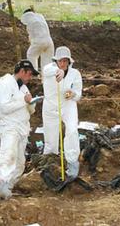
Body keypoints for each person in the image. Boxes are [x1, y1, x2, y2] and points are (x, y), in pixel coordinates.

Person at [0, 60, 39, 200]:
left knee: (19, 161)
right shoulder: (6, 83)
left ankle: (9, 186)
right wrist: (23, 101)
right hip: (10, 126)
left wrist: (31, 103)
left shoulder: (24, 88)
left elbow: (31, 110)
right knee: (9, 154)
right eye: (29, 74)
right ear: (22, 71)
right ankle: (2, 184)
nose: (30, 78)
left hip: (22, 127)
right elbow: (5, 107)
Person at [42, 46, 82, 180]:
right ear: (56, 61)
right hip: (50, 107)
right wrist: (57, 71)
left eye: (65, 61)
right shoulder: (49, 69)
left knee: (71, 131)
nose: (63, 63)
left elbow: (78, 93)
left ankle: (72, 161)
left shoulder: (75, 73)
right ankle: (50, 161)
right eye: (60, 61)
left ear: (69, 62)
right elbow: (47, 71)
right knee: (51, 136)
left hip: (68, 105)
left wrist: (73, 94)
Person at [21, 7, 54, 72]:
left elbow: (32, 36)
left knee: (31, 55)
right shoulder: (41, 18)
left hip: (39, 41)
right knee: (47, 61)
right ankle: (46, 78)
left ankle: (33, 74)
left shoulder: (30, 22)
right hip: (49, 42)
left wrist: (31, 42)